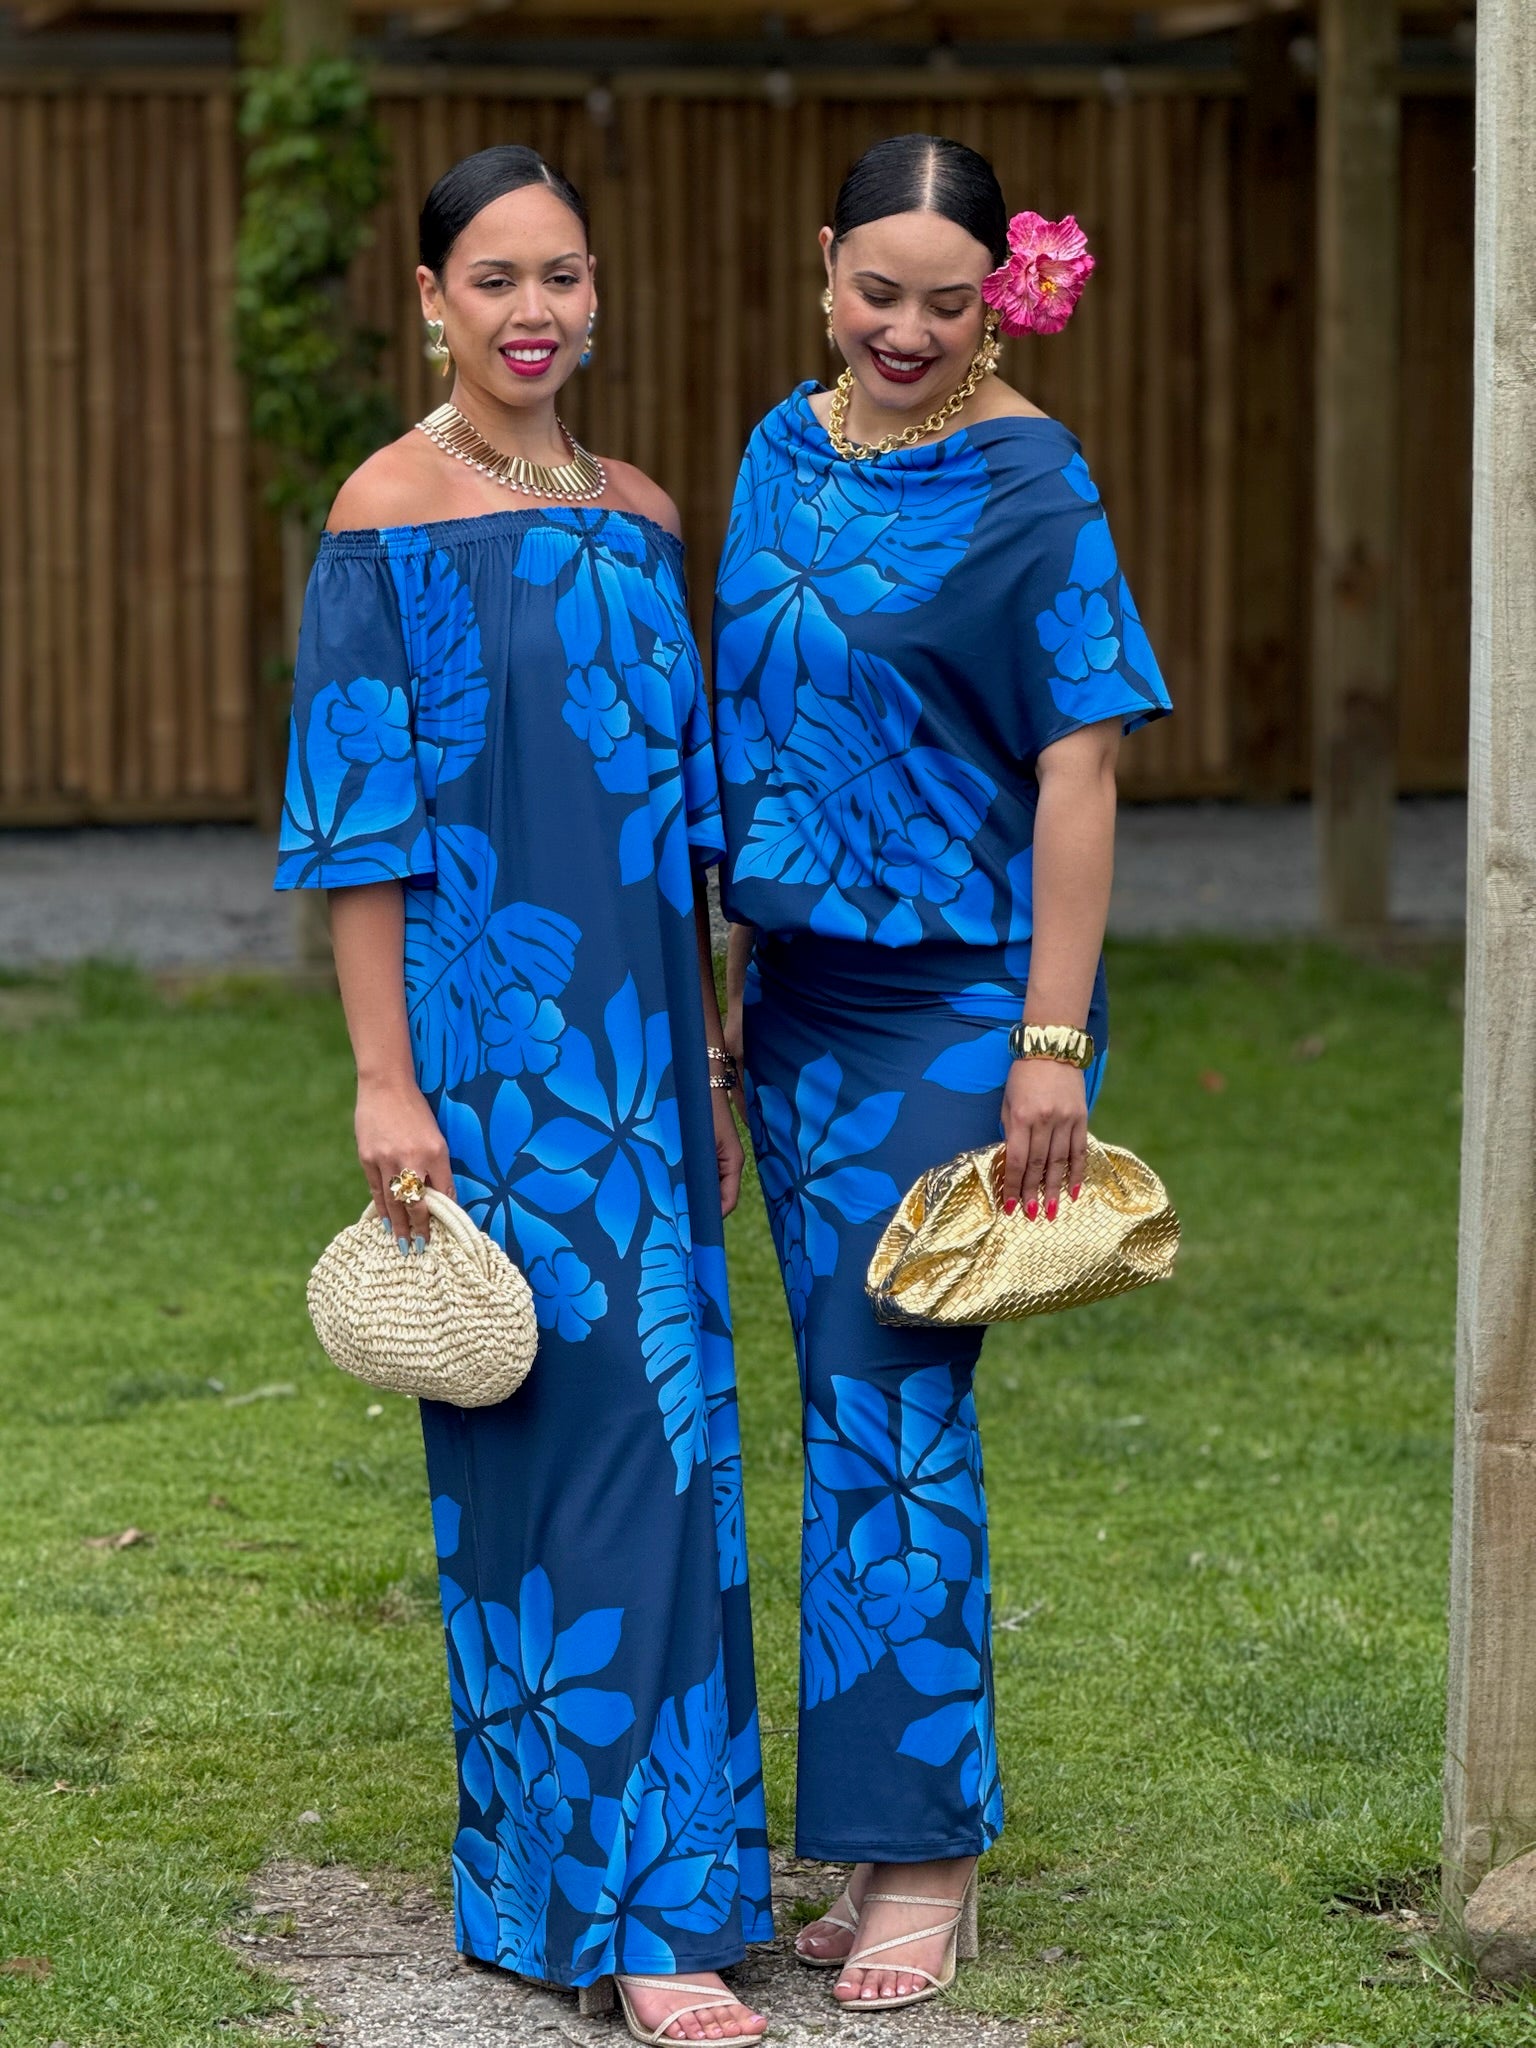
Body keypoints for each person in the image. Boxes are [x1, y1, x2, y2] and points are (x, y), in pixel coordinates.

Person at [276, 145, 771, 2047]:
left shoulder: (647, 517)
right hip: (494, 1066)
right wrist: (386, 1082)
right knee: (548, 1452)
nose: (535, 309)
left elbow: (699, 843)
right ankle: (619, 1912)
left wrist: (719, 1060)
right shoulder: (383, 517)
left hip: (652, 1057)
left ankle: (621, 1885)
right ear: (431, 301)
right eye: (494, 278)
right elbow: (357, 832)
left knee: (673, 1452)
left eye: (563, 273)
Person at [714, 134, 1171, 2014]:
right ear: (825, 268)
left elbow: (1083, 765)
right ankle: (883, 1835)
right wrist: (734, 1009)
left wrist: (1049, 1040)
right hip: (800, 1008)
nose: (906, 329)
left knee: (897, 1424)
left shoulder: (1033, 477)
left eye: (947, 299)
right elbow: (746, 737)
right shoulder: (772, 450)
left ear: (1003, 294)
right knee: (838, 1416)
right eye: (875, 290)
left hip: (957, 1014)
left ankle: (930, 1858)